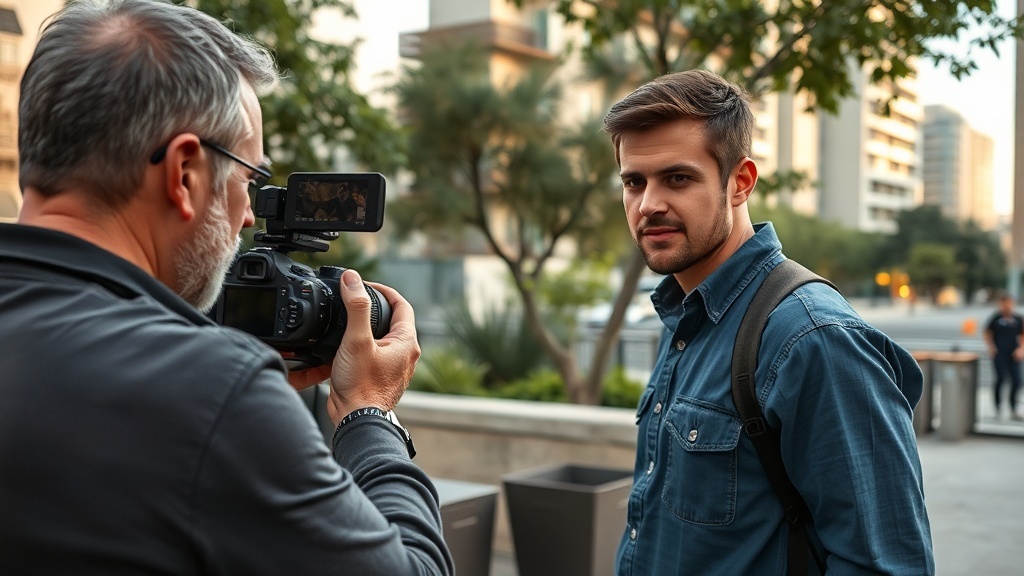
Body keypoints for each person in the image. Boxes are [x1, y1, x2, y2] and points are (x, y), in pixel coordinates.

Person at [0, 1, 452, 574]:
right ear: (185, 173)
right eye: (251, 178)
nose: (247, 217)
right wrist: (369, 414)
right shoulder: (211, 390)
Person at [603, 69, 933, 575]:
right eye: (634, 182)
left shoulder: (812, 338)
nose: (649, 204)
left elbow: (885, 564)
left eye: (678, 178)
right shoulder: (688, 318)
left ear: (740, 182)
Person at [983, 291, 1024, 420]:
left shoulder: (1018, 319)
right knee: (1000, 379)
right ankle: (998, 407)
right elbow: (987, 332)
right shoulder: (996, 318)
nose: (1006, 306)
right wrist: (991, 347)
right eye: (1003, 303)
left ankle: (1013, 407)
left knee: (1017, 381)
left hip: (1013, 354)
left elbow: (1022, 335)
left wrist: (1021, 349)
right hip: (999, 353)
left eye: (1009, 303)